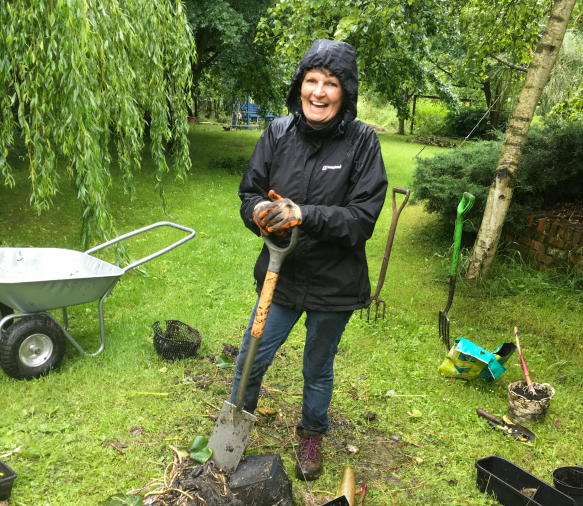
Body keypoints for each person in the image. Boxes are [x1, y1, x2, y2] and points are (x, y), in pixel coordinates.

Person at [231, 39, 388, 481]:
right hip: (281, 275)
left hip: (333, 283)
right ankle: (234, 427)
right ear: (300, 84)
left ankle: (311, 435)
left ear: (345, 92)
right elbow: (250, 192)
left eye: (331, 83)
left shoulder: (362, 144)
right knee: (250, 356)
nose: (318, 92)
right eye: (312, 80)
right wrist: (258, 213)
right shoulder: (278, 132)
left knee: (317, 368)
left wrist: (304, 214)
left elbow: (361, 220)